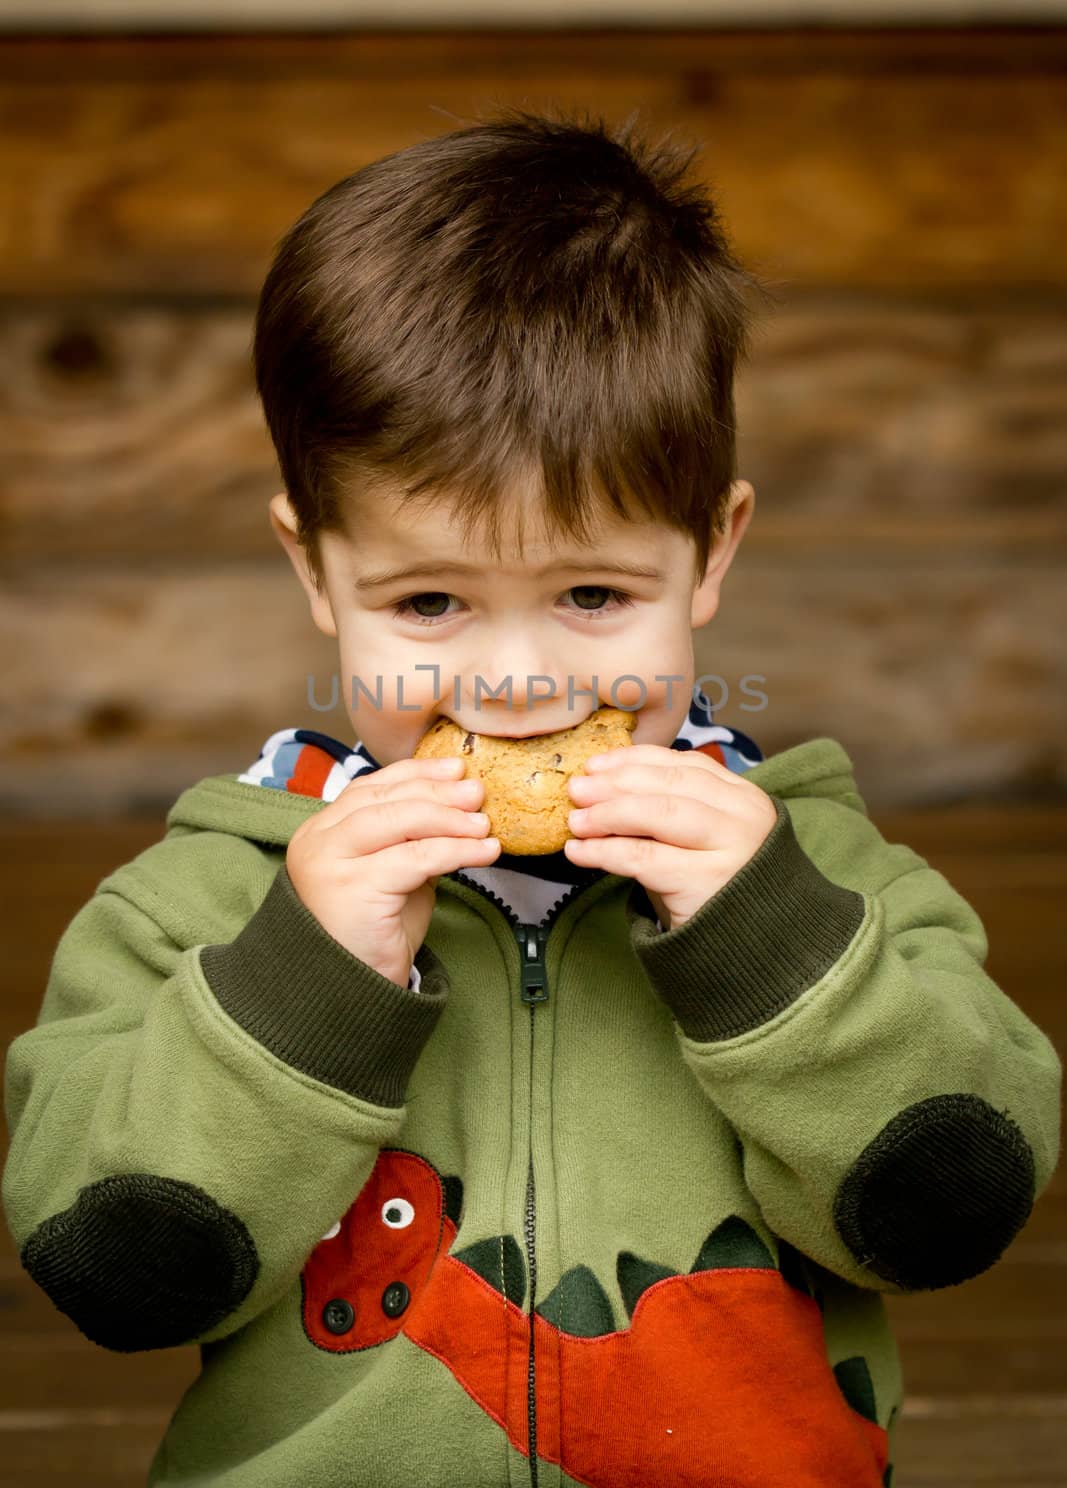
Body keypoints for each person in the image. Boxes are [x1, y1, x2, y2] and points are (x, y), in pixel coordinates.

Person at [2, 106, 1060, 1488]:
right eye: (429, 599)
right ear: (316, 568)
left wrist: (779, 954)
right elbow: (116, 1276)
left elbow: (951, 1213)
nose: (515, 683)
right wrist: (297, 987)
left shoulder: (826, 879)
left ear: (712, 553)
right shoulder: (206, 898)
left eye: (593, 596)